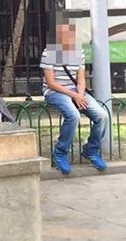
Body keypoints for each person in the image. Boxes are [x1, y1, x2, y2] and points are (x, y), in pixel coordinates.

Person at [40, 22, 108, 175]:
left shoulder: (78, 52)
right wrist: (74, 96)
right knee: (73, 115)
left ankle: (91, 149)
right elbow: (51, 83)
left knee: (102, 115)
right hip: (55, 91)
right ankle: (60, 152)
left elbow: (81, 78)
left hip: (76, 91)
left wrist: (80, 94)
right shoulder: (49, 52)